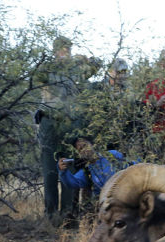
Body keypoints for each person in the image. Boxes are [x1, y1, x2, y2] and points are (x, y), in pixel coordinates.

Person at [35, 35, 98, 222]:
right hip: (49, 123)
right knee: (50, 172)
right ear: (56, 51)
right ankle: (51, 216)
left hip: (70, 125)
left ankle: (68, 215)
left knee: (68, 168)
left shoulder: (75, 71)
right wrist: (55, 63)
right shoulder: (47, 69)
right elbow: (37, 76)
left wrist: (85, 60)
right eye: (62, 49)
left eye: (68, 49)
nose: (66, 52)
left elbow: (97, 65)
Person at [57, 137, 130, 195]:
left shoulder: (111, 155)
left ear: (92, 144)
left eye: (85, 145)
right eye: (80, 149)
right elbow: (72, 183)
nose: (84, 150)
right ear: (79, 154)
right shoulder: (87, 171)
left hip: (126, 195)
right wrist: (63, 171)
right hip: (107, 205)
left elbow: (132, 164)